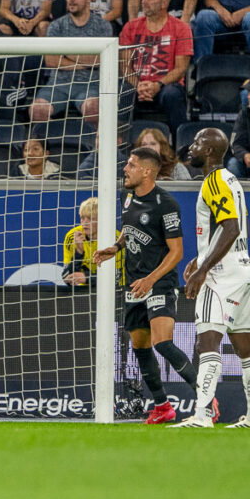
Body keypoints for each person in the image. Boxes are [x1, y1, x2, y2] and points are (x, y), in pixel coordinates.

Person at [93, 147, 197, 425]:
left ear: (147, 171)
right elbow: (130, 229)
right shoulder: (127, 197)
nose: (125, 169)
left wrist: (151, 279)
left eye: (131, 165)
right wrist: (116, 247)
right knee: (140, 347)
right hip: (134, 283)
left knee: (162, 343)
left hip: (159, 283)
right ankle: (162, 407)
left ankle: (206, 397)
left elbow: (177, 252)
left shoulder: (166, 203)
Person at [178, 128, 250, 427]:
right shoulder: (230, 179)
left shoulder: (214, 181)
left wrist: (204, 269)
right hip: (242, 267)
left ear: (209, 151)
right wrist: (200, 257)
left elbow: (231, 227)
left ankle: (203, 414)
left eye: (197, 143)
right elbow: (225, 229)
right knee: (245, 349)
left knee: (207, 342)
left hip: (221, 274)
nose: (191, 148)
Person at [29, 0, 112, 124]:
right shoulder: (56, 26)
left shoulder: (102, 26)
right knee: (37, 110)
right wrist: (84, 62)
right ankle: (48, 140)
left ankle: (92, 140)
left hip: (90, 86)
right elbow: (51, 61)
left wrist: (64, 52)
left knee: (93, 108)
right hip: (58, 85)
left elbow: (99, 60)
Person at [120, 0, 192, 135]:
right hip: (137, 84)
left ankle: (181, 145)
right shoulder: (130, 27)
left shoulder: (181, 28)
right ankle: (119, 142)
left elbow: (180, 69)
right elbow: (125, 65)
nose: (144, 1)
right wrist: (138, 85)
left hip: (166, 85)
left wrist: (157, 85)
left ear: (164, 3)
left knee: (172, 94)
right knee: (123, 92)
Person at [62, 197, 119, 286]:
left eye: (90, 218)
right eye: (82, 218)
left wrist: (87, 278)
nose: (85, 223)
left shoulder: (115, 239)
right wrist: (79, 252)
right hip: (85, 291)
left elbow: (117, 277)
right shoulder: (72, 237)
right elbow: (66, 277)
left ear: (102, 220)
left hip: (115, 290)